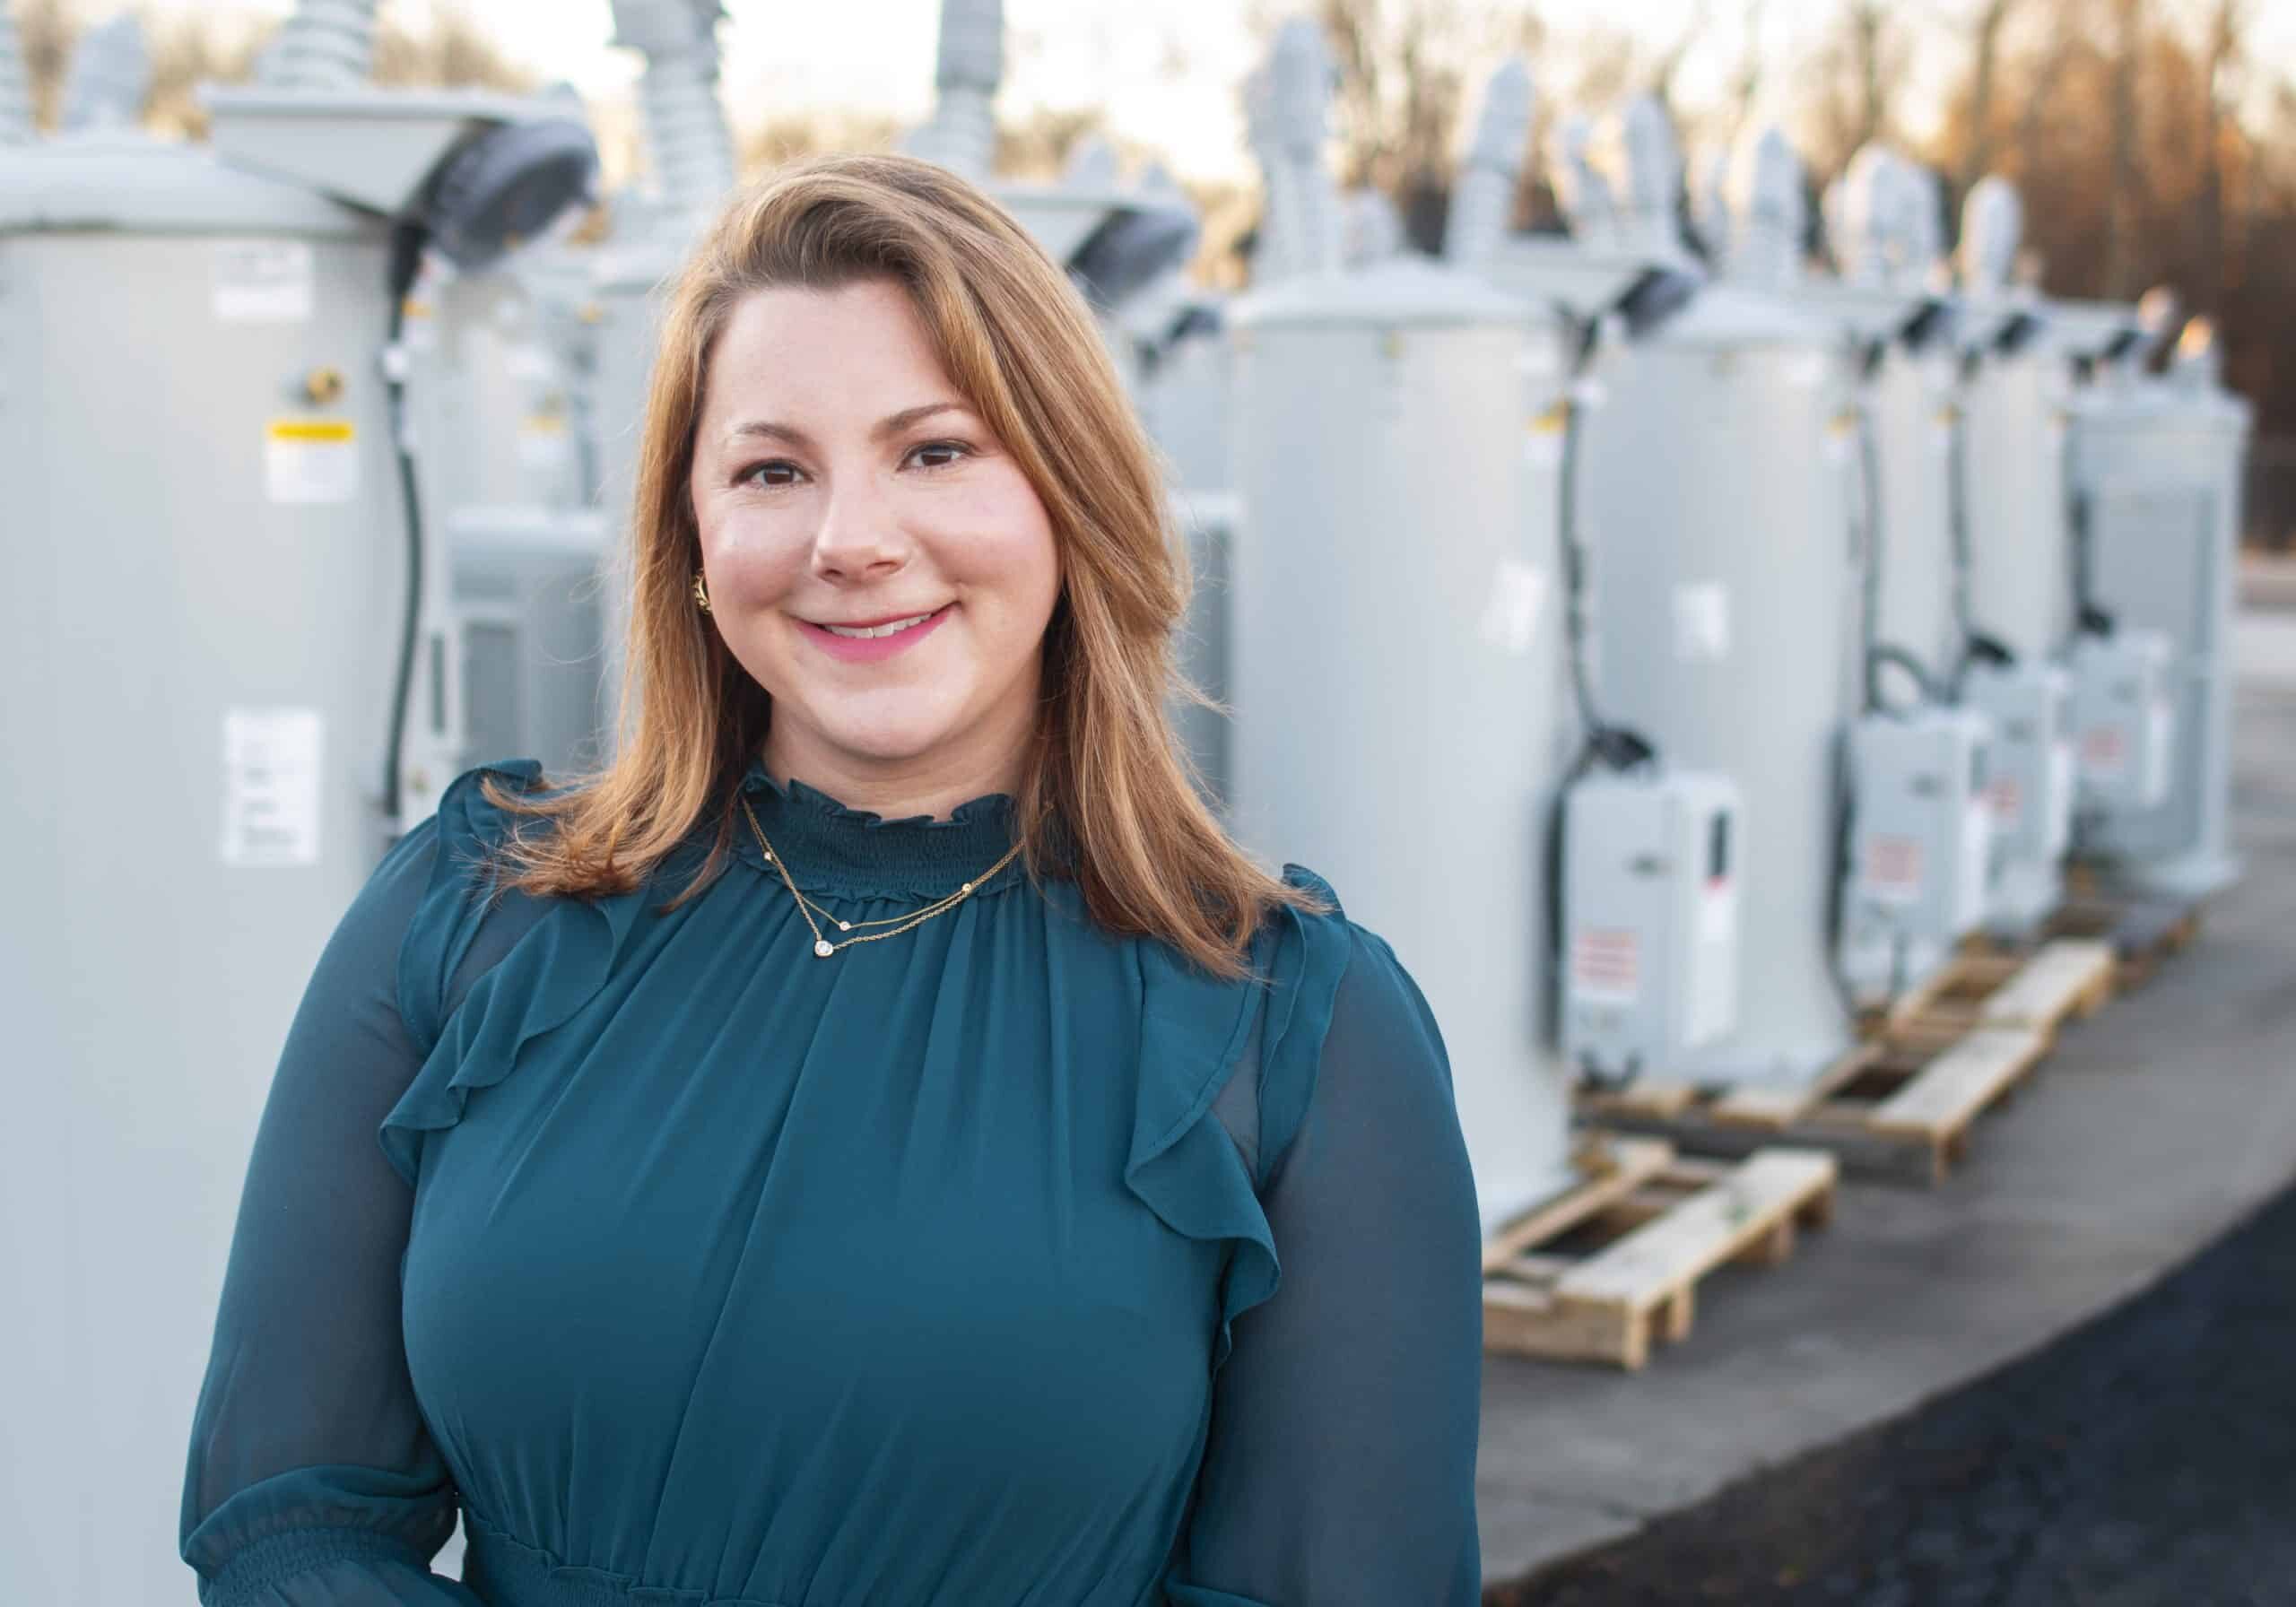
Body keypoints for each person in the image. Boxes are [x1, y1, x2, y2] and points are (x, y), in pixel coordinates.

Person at [179, 152, 1484, 1607]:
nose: (849, 542)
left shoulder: (1297, 1032)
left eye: (935, 451)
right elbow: (286, 1521)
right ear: (691, 541)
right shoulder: (471, 914)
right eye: (772, 470)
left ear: (1072, 494)